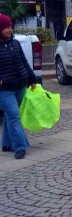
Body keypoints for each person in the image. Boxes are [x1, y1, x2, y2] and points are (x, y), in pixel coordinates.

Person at [0, 14, 36, 160]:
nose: (10, 29)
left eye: (10, 26)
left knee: (11, 115)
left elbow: (24, 62)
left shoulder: (15, 43)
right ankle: (20, 147)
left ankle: (6, 144)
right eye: (6, 27)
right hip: (4, 90)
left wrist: (32, 79)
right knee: (14, 116)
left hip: (21, 85)